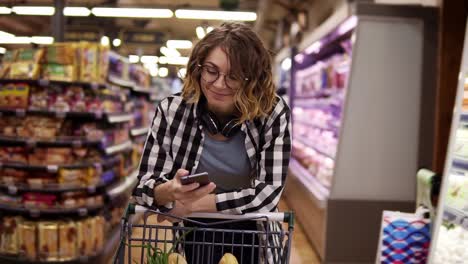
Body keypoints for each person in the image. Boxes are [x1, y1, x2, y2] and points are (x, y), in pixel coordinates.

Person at [133, 21, 291, 263]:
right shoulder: (172, 110)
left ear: (253, 80)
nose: (219, 84)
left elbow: (267, 194)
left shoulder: (272, 112)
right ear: (198, 68)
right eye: (211, 70)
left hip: (250, 228)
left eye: (234, 76)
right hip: (194, 232)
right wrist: (168, 192)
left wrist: (195, 205)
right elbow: (144, 185)